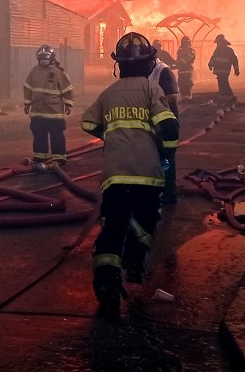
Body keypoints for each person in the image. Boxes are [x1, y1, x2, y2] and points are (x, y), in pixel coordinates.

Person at [81, 32, 179, 316]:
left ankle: (105, 283)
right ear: (150, 63)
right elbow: (170, 129)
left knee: (112, 225)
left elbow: (87, 123)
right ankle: (135, 264)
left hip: (114, 175)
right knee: (146, 220)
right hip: (147, 174)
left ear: (119, 65)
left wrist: (111, 134)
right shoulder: (152, 91)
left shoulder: (109, 93)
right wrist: (166, 154)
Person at [23, 44, 74, 165]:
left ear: (52, 58)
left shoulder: (58, 72)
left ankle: (59, 156)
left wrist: (68, 104)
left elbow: (67, 89)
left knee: (57, 135)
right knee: (38, 134)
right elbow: (27, 88)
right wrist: (27, 104)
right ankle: (40, 155)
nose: (43, 60)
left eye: (46, 57)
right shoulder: (34, 71)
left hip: (54, 113)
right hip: (37, 112)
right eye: (41, 58)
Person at [149, 41, 180, 204]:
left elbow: (172, 97)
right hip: (151, 122)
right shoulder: (144, 70)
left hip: (166, 123)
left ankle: (168, 193)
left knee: (166, 158)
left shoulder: (164, 71)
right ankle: (155, 191)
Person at [208, 34, 240, 100]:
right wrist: (210, 64)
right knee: (222, 83)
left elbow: (234, 60)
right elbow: (213, 58)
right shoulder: (217, 51)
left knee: (224, 83)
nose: (217, 44)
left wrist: (236, 69)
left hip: (224, 70)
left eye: (218, 43)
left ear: (222, 42)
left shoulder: (229, 50)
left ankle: (229, 96)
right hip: (220, 70)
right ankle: (224, 96)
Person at [176, 35, 196, 102]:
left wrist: (182, 61)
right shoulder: (179, 51)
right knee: (181, 85)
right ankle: (184, 99)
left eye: (186, 43)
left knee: (188, 85)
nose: (185, 44)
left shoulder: (191, 51)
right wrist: (177, 64)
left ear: (189, 43)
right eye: (184, 43)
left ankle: (188, 99)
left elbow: (190, 58)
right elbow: (178, 60)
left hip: (188, 71)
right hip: (181, 71)